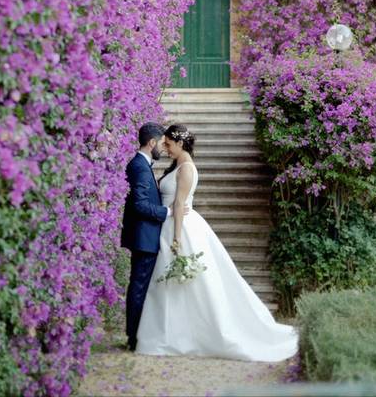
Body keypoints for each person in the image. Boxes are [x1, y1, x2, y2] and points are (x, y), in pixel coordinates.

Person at [135, 124, 298, 362]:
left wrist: (177, 238)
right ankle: (173, 333)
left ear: (180, 144)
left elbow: (180, 204)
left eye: (169, 144)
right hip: (169, 224)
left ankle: (184, 335)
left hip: (180, 227)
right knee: (172, 283)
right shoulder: (178, 165)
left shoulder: (187, 169)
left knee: (186, 282)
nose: (166, 149)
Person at [120, 122, 188, 352]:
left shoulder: (142, 164)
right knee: (139, 287)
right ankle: (134, 337)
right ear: (151, 143)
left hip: (146, 236)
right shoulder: (139, 166)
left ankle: (137, 334)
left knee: (139, 287)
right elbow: (139, 205)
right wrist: (167, 212)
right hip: (144, 238)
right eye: (161, 143)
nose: (163, 147)